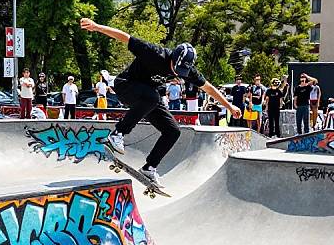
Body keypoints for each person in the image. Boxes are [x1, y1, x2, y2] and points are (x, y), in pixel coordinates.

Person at [80, 17, 241, 187]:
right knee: (153, 96)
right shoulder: (154, 52)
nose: (176, 72)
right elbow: (124, 37)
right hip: (126, 86)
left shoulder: (188, 71)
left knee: (173, 131)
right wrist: (97, 27)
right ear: (173, 57)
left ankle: (150, 167)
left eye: (180, 72)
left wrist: (229, 106)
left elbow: (208, 88)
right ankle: (117, 134)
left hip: (147, 98)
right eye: (175, 68)